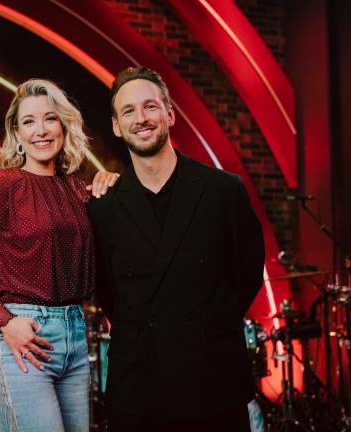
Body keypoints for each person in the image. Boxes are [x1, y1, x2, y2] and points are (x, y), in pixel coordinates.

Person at [87, 67, 265, 431]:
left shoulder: (223, 191)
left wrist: (205, 326)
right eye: (129, 111)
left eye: (150, 106)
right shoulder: (104, 206)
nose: (141, 118)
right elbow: (108, 291)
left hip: (213, 379)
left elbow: (247, 274)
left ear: (169, 114)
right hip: (139, 387)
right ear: (117, 127)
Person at [0, 79, 117, 432]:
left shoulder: (77, 189)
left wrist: (113, 185)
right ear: (16, 132)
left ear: (63, 126)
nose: (41, 130)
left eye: (50, 119)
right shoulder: (0, 185)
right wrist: (6, 322)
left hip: (75, 338)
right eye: (29, 121)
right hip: (23, 339)